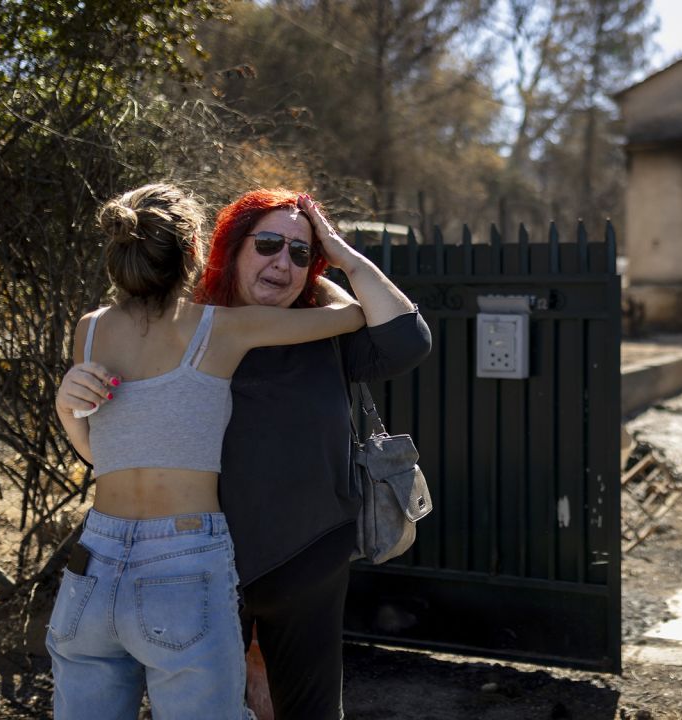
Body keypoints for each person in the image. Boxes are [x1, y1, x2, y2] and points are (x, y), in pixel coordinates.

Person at [48, 183, 368, 719]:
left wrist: (64, 410)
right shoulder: (220, 329)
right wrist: (323, 258)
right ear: (196, 250)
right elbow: (354, 315)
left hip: (95, 559)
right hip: (183, 558)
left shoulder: (90, 330)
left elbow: (99, 454)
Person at [195, 189, 430, 720]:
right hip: (202, 564)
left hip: (308, 562)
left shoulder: (324, 334)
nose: (283, 262)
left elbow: (407, 341)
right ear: (232, 247)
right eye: (269, 244)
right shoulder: (189, 329)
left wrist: (339, 256)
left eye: (301, 253)